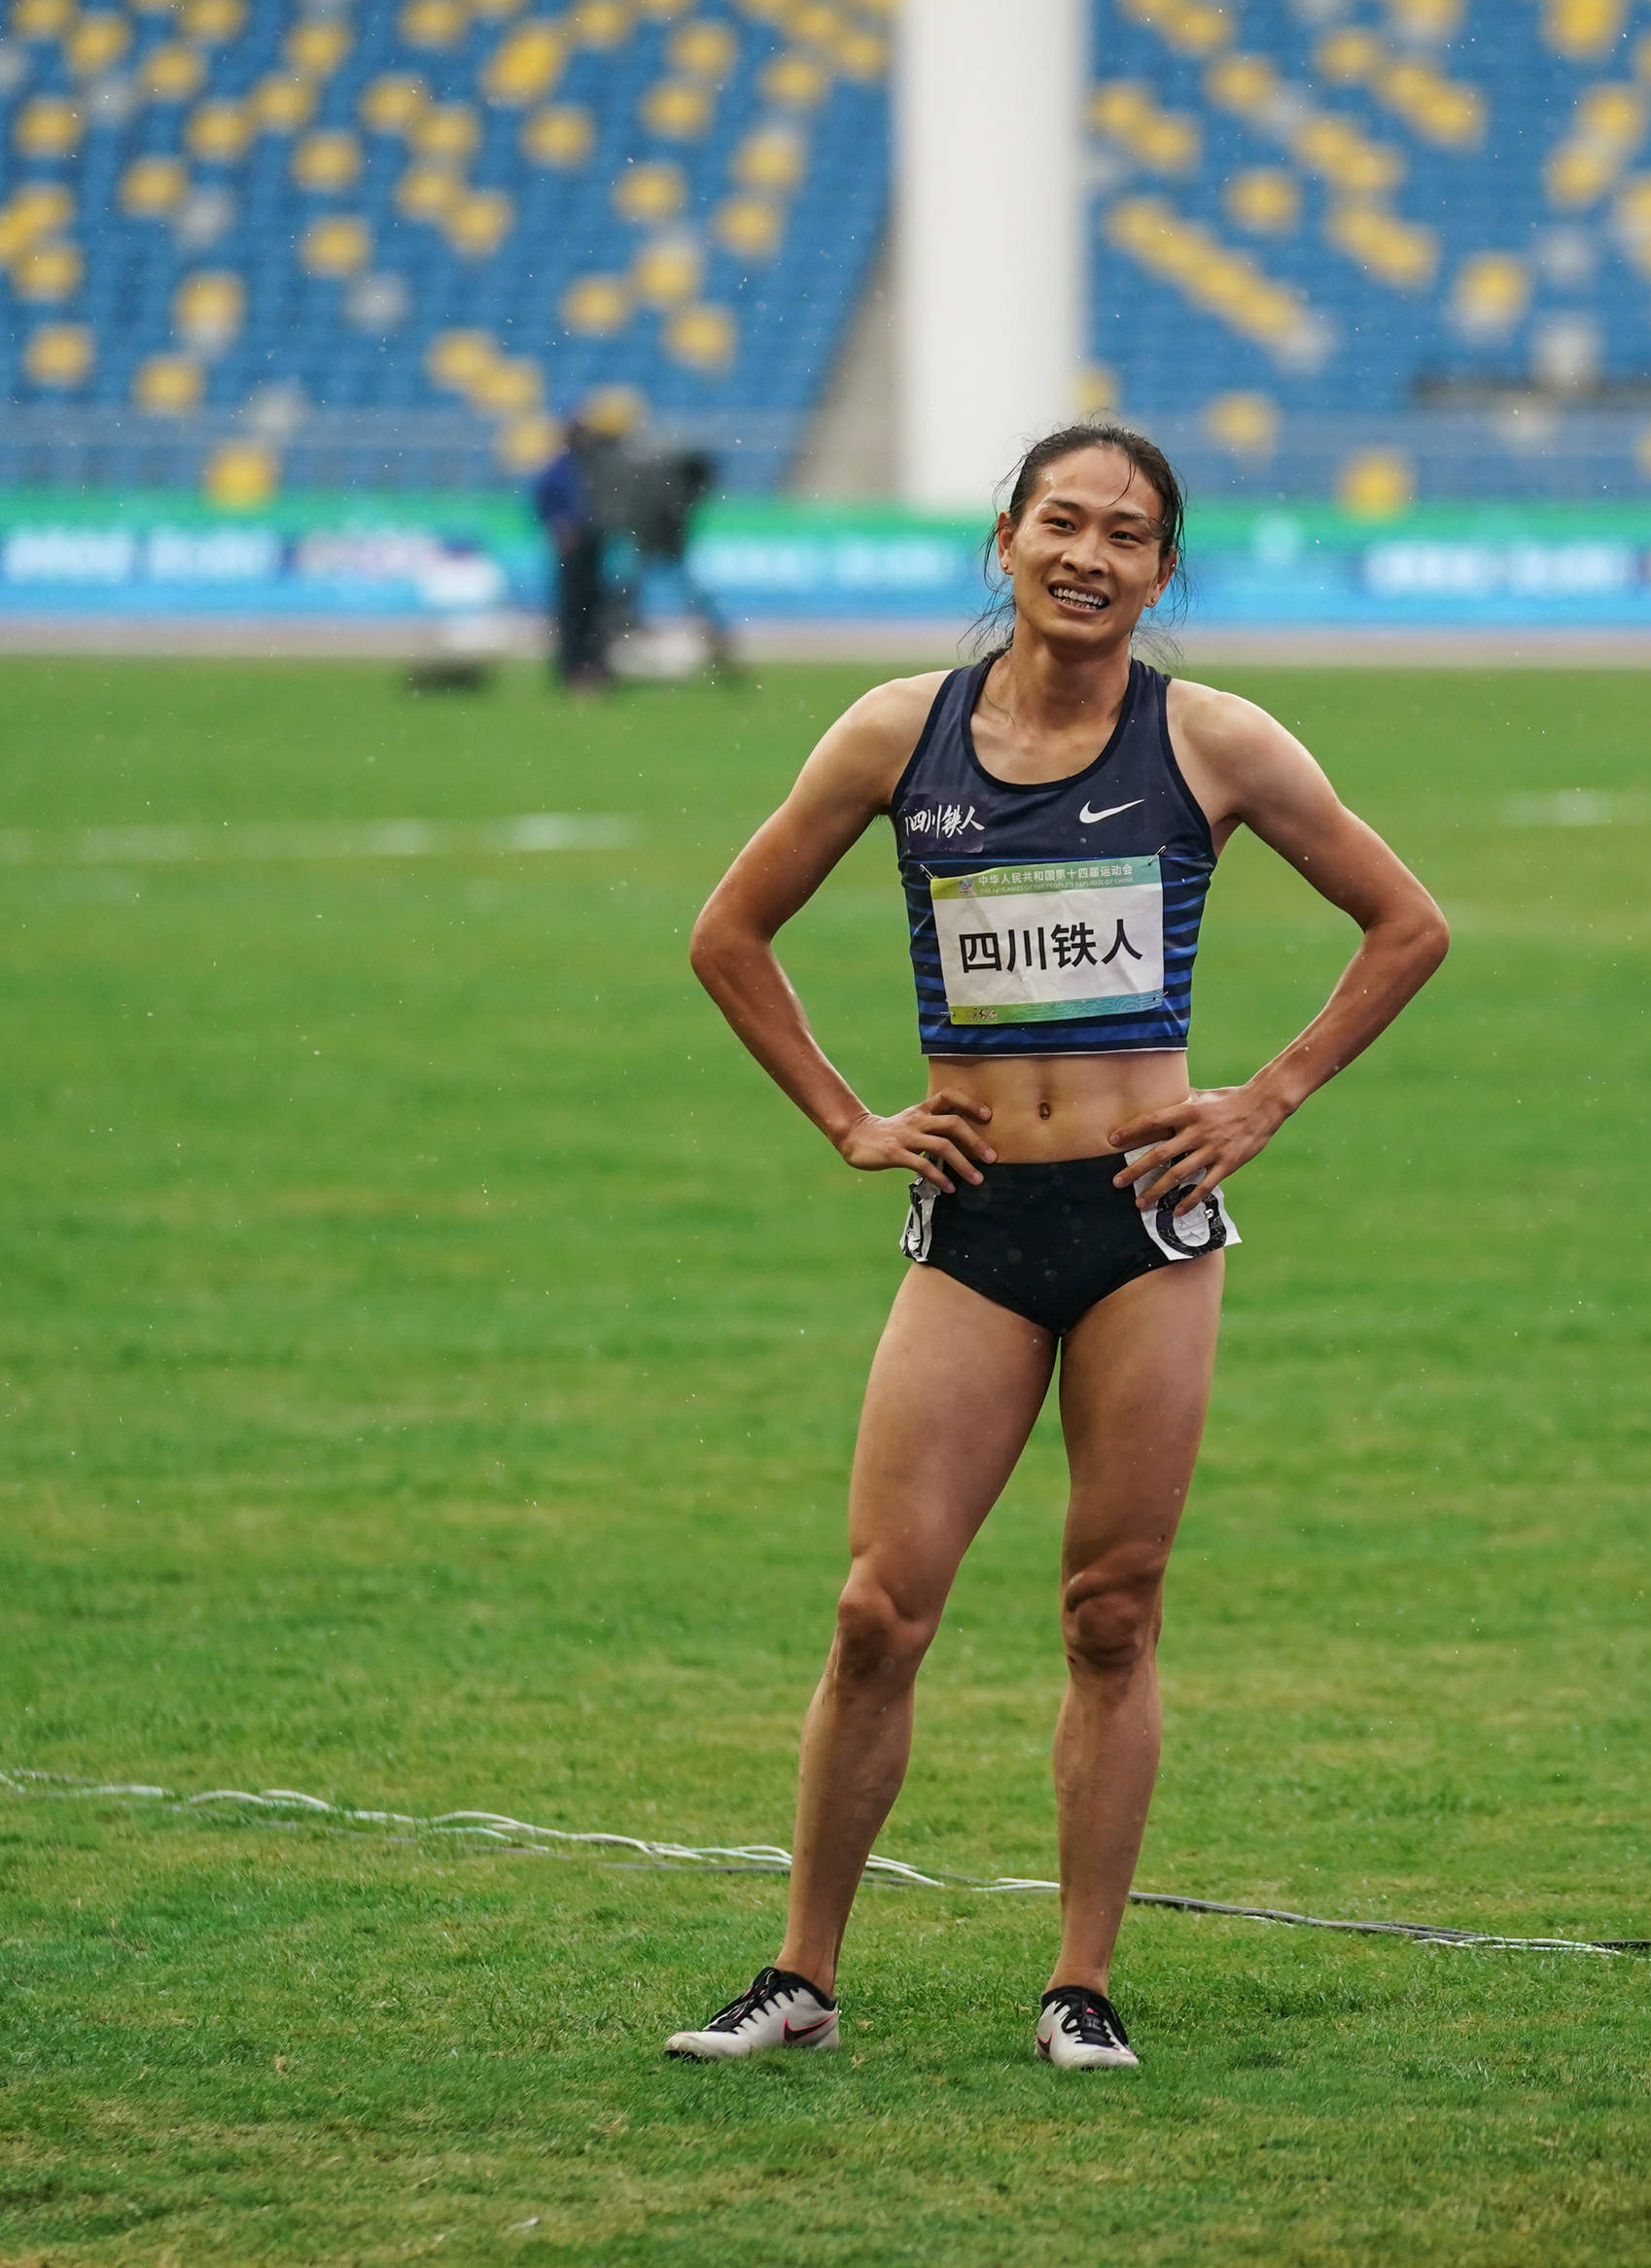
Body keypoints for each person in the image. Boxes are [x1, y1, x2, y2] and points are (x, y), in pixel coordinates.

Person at [669, 422, 1449, 2070]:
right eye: (1063, 521)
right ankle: (801, 1971)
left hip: (1144, 1224)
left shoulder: (1214, 740)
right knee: (881, 1607)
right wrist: (847, 1118)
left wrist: (1270, 1094)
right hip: (971, 1225)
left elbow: (1409, 921)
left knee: (1112, 1607)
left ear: (1165, 571)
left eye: (1131, 534)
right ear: (1004, 539)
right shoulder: (900, 731)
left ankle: (1079, 1982)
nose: (1091, 554)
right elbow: (728, 934)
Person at [530, 414, 611, 695]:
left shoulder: (591, 466)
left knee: (593, 610)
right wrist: (559, 526)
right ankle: (572, 669)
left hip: (592, 546)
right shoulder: (561, 469)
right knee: (574, 612)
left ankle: (593, 668)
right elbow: (543, 502)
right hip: (572, 549)